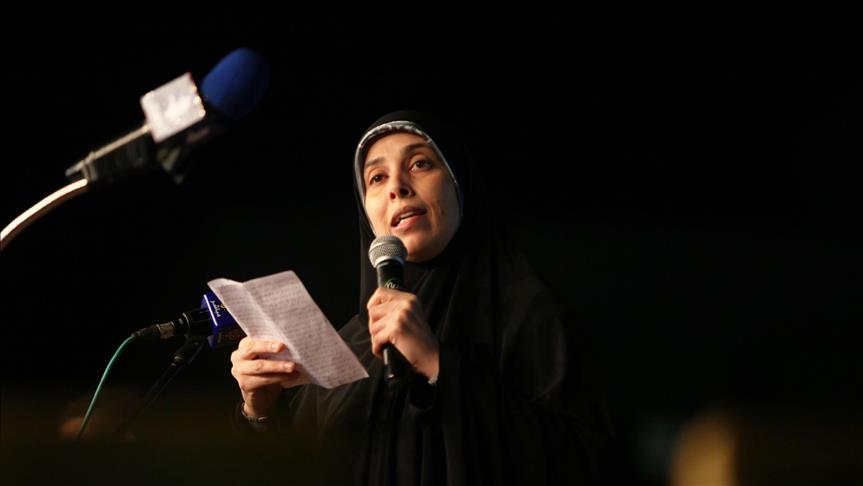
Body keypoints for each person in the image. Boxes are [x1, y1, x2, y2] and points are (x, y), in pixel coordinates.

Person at [229, 110, 610, 484]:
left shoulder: (528, 313)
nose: (397, 187)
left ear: (459, 184)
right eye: (377, 178)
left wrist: (437, 364)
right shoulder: (350, 348)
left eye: (420, 164)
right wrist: (260, 413)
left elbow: (586, 460)